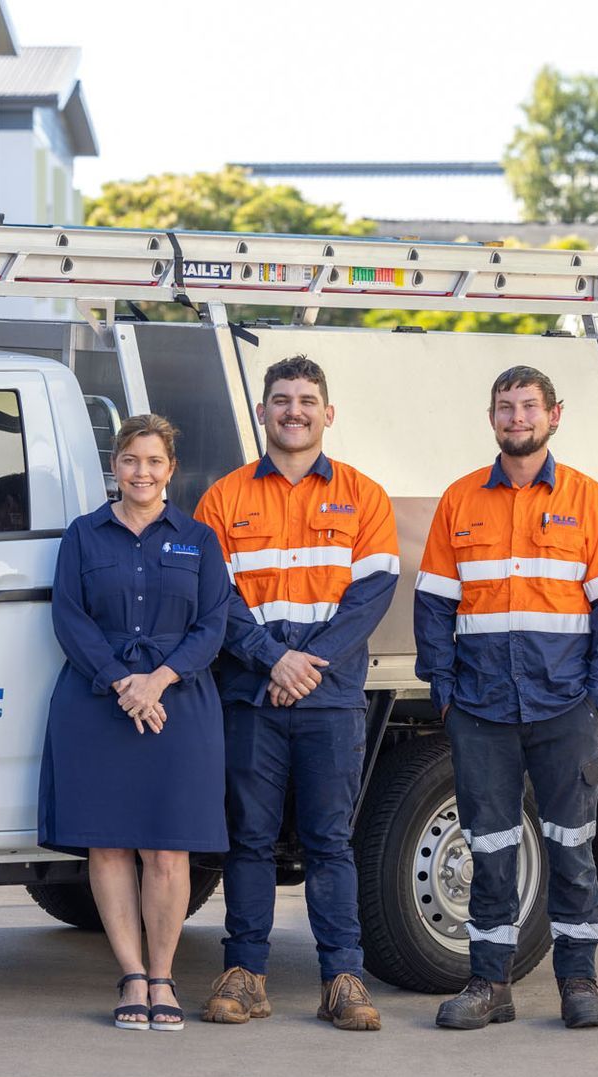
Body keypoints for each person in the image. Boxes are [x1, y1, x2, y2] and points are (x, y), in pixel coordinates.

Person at [415, 366, 598, 1031]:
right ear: (492, 419)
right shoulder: (459, 501)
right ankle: (490, 983)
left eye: (528, 407)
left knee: (571, 844)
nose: (517, 418)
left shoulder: (589, 500)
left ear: (554, 415)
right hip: (480, 709)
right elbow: (433, 604)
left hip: (564, 705)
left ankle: (579, 981)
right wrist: (445, 689)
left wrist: (596, 694)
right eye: (505, 407)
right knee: (490, 847)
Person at [193, 355, 399, 1032]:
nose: (294, 411)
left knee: (329, 841)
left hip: (330, 697)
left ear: (327, 413)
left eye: (307, 400)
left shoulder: (363, 496)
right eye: (281, 400)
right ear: (262, 412)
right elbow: (213, 599)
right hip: (251, 696)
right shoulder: (223, 499)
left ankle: (343, 976)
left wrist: (307, 662)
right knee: (247, 839)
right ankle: (245, 974)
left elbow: (371, 595)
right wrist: (272, 659)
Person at [39, 415, 231, 1031]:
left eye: (153, 462)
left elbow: (213, 623)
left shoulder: (199, 540)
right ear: (114, 466)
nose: (141, 472)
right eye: (129, 460)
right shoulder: (82, 536)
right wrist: (123, 681)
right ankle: (131, 975)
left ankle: (165, 976)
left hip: (177, 703)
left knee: (168, 848)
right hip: (100, 702)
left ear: (170, 470)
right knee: (110, 844)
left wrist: (159, 680)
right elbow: (70, 618)